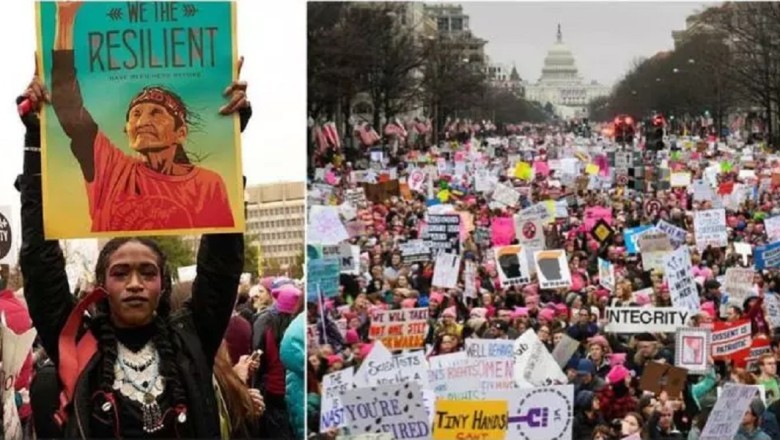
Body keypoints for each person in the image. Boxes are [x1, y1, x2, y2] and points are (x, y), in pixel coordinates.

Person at [18, 31, 252, 440]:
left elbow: (221, 264)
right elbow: (40, 266)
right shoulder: (78, 346)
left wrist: (229, 137)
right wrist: (37, 138)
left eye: (147, 273)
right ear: (100, 285)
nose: (134, 284)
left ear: (164, 285)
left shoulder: (192, 340)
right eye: (121, 273)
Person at [42, 1, 249, 232]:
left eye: (156, 113)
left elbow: (222, 256)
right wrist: (65, 19)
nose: (141, 122)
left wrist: (234, 121)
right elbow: (68, 104)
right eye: (136, 114)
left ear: (181, 133)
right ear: (125, 129)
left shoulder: (208, 185)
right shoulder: (110, 169)